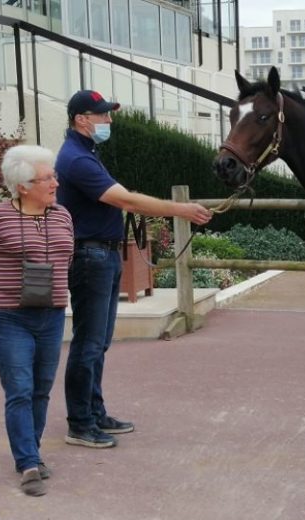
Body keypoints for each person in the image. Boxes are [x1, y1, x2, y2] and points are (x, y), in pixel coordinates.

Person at [56, 90, 212, 449]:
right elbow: (125, 199)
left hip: (101, 256)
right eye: (102, 115)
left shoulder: (86, 154)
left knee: (97, 342)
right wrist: (182, 210)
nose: (108, 121)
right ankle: (80, 423)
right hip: (91, 257)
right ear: (82, 119)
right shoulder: (77, 159)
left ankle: (93, 413)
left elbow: (119, 196)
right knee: (89, 343)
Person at [0, 145, 74, 497]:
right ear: (22, 186)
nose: (55, 183)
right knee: (20, 388)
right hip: (6, 318)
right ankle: (28, 464)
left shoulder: (62, 215)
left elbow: (66, 259)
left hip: (51, 315)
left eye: (54, 176)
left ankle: (30, 451)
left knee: (41, 389)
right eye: (47, 178)